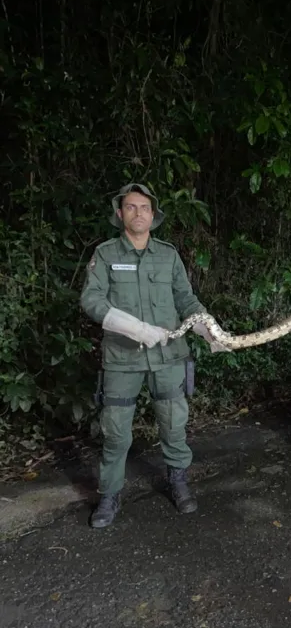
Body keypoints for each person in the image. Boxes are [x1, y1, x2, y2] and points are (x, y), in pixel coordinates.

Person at [80, 183, 228, 528]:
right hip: (122, 358)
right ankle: (109, 495)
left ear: (153, 215)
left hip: (168, 356)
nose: (138, 213)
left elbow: (187, 301)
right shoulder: (105, 254)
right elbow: (91, 300)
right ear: (120, 215)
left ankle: (178, 481)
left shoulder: (168, 254)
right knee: (116, 432)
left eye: (144, 208)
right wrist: (133, 327)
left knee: (174, 425)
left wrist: (209, 329)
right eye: (130, 207)